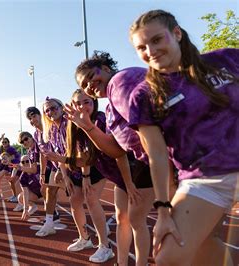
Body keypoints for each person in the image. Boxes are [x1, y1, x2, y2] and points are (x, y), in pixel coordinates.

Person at [129, 9, 239, 266]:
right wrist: (163, 210)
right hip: (203, 181)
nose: (150, 51)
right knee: (168, 257)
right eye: (141, 47)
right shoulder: (144, 95)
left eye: (157, 40)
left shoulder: (227, 59)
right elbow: (156, 155)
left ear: (176, 33)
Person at [71, 51, 156, 265]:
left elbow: (146, 132)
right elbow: (117, 150)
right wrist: (88, 127)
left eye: (91, 76)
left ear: (106, 68)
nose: (89, 84)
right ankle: (122, 262)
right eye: (85, 84)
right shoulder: (110, 107)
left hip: (159, 161)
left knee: (146, 221)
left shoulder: (120, 81)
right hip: (137, 166)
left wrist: (131, 183)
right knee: (123, 219)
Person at [42, 96, 114, 260]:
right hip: (73, 167)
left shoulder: (71, 123)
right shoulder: (52, 130)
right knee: (74, 200)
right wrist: (66, 177)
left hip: (92, 165)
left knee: (91, 200)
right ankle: (85, 238)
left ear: (61, 107)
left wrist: (86, 175)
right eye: (47, 110)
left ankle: (105, 245)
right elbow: (58, 155)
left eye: (53, 108)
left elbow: (84, 152)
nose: (50, 112)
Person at [25, 107, 61, 235]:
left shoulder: (51, 128)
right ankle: (49, 222)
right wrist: (42, 172)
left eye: (34, 116)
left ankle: (97, 228)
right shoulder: (36, 134)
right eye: (30, 118)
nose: (32, 120)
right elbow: (42, 153)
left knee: (78, 196)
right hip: (53, 166)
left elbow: (61, 148)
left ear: (41, 115)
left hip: (65, 164)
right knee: (50, 191)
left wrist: (61, 168)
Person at [14, 134, 44, 220]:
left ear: (31, 137)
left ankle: (52, 211)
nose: (25, 142)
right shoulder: (23, 177)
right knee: (20, 197)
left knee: (48, 190)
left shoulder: (38, 148)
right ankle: (33, 207)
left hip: (46, 184)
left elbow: (34, 169)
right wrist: (25, 209)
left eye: (26, 139)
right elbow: (26, 193)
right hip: (36, 193)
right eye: (22, 142)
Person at [0, 138, 21, 202]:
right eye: (3, 142)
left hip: (16, 164)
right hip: (10, 165)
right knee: (11, 181)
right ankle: (14, 195)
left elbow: (14, 157)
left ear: (8, 143)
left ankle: (18, 196)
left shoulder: (10, 149)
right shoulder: (3, 149)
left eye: (5, 142)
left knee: (14, 181)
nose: (4, 143)